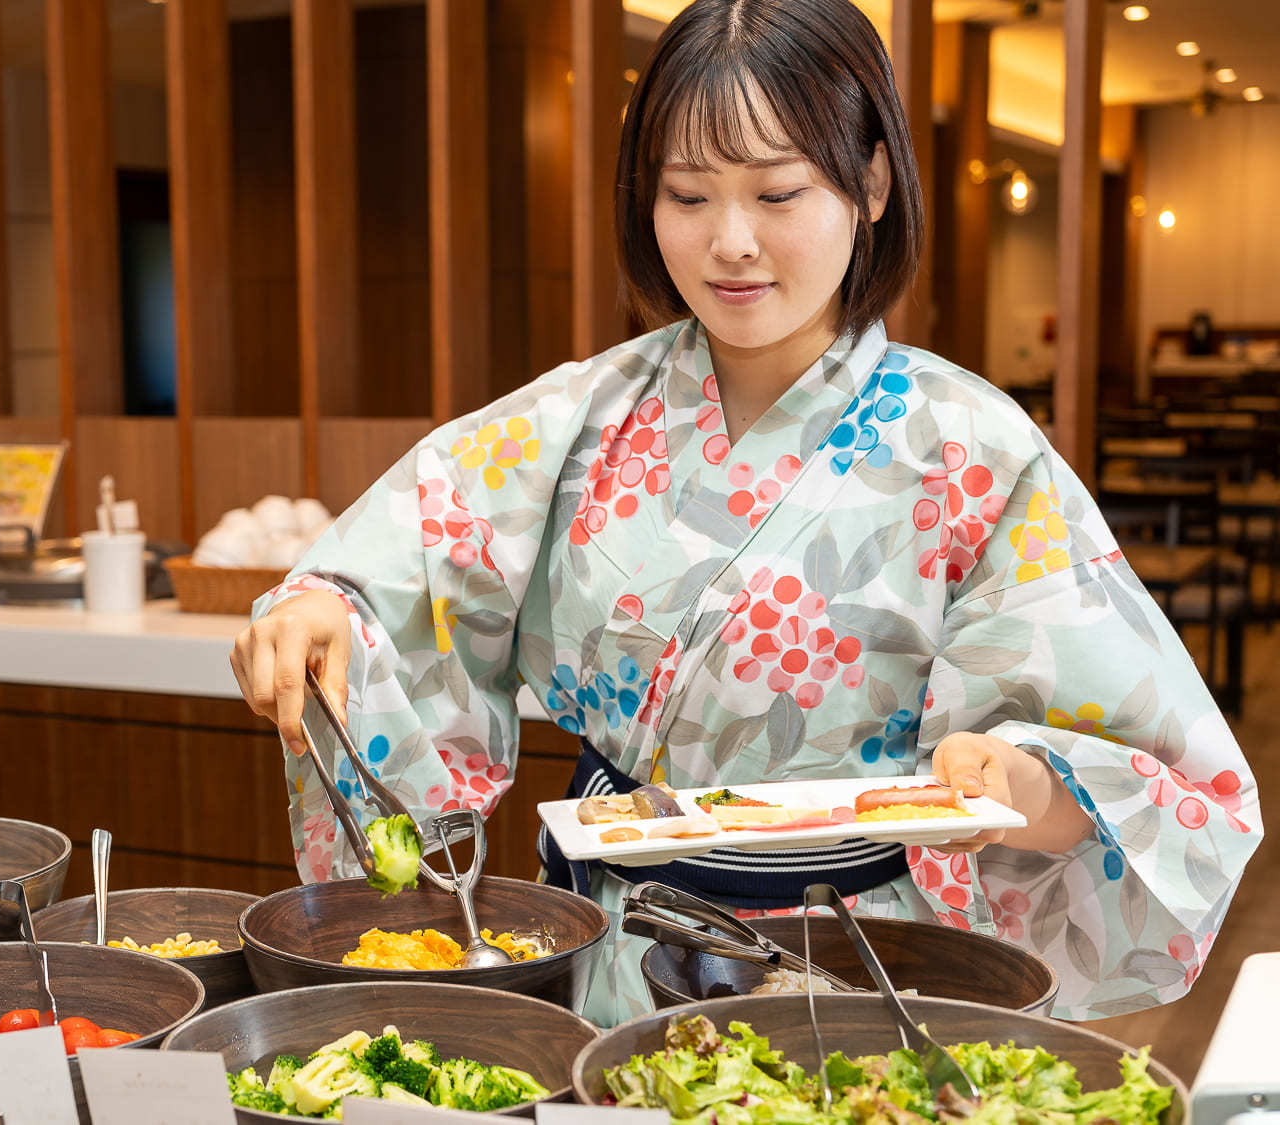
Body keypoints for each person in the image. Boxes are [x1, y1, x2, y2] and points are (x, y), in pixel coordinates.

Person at [230, 0, 1260, 1026]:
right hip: (615, 959)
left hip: (864, 964)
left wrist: (1014, 786)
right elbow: (398, 568)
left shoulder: (968, 448)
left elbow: (1143, 779)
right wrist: (322, 619)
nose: (729, 242)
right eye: (686, 195)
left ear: (869, 184)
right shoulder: (580, 415)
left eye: (775, 192)